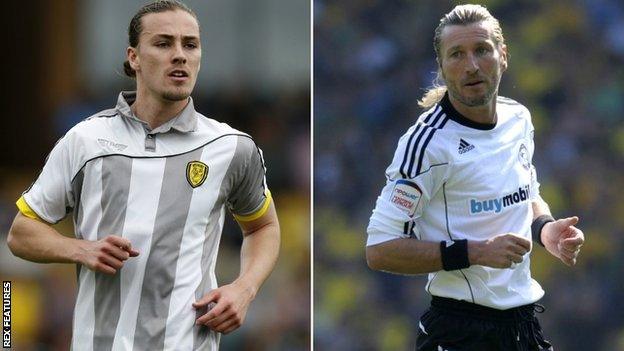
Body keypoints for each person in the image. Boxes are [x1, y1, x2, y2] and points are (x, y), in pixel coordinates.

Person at [7, 1, 280, 350]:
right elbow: (21, 233)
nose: (180, 55)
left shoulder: (231, 148)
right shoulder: (85, 141)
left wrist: (245, 288)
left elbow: (263, 227)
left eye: (190, 44)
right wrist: (81, 249)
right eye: (164, 43)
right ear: (134, 57)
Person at [365, 4, 584, 350]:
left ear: (503, 56)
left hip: (522, 326)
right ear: (441, 67)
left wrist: (545, 228)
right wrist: (475, 252)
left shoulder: (519, 118)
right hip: (459, 331)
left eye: (482, 50)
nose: (471, 65)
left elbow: (524, 194)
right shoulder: (427, 144)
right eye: (457, 55)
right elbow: (379, 250)